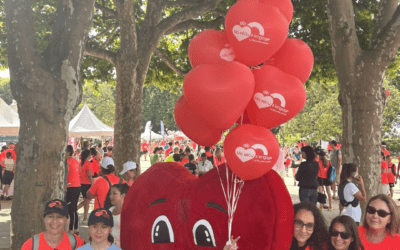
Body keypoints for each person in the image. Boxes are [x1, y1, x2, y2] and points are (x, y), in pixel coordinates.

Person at [65, 145, 81, 235]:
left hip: (71, 187)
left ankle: (71, 229)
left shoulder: (68, 162)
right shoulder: (75, 161)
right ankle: (76, 228)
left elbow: (66, 174)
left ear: (67, 153)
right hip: (77, 186)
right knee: (74, 208)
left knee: (71, 208)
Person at [109, 183, 129, 247]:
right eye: (110, 194)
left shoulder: (128, 213)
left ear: (123, 195)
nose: (110, 196)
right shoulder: (110, 210)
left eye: (114, 193)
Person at [79, 149, 93, 222]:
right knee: (87, 201)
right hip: (87, 184)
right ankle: (75, 209)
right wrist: (93, 184)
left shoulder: (80, 163)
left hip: (81, 183)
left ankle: (85, 217)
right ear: (88, 155)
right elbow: (89, 175)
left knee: (86, 201)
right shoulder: (88, 163)